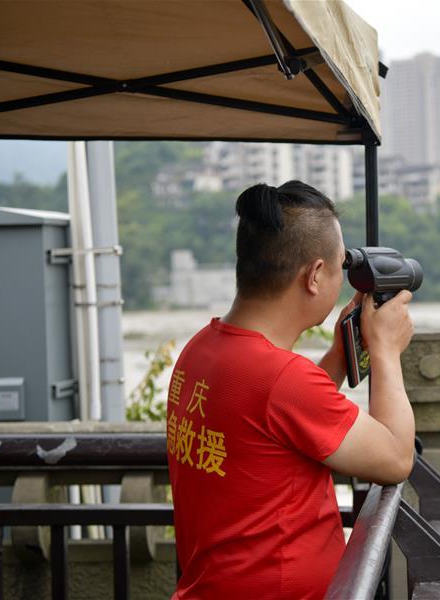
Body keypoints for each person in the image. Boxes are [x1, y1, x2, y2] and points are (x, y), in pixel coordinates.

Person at [166, 181, 416, 599]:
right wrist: (387, 352)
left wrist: (340, 353)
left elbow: (278, 420)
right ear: (315, 275)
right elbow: (395, 458)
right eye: (341, 265)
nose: (342, 277)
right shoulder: (283, 379)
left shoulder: (200, 349)